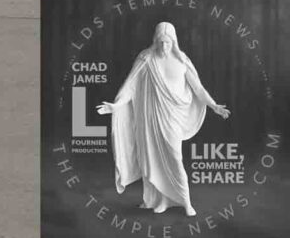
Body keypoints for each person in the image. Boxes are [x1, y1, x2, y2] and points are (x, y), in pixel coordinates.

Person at [97, 21, 230, 216]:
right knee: (152, 158)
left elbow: (198, 88)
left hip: (173, 118)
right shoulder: (146, 59)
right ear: (155, 41)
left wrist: (214, 105)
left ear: (174, 42)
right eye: (160, 42)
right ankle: (160, 200)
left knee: (175, 158)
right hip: (150, 119)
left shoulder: (182, 61)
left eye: (167, 42)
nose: (163, 47)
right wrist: (116, 106)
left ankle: (186, 202)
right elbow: (130, 86)